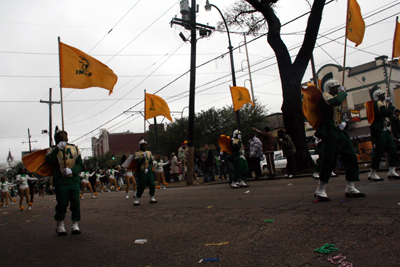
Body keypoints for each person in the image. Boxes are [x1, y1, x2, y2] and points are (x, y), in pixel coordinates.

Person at [308, 79, 365, 201]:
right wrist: (343, 93)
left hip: (339, 131)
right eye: (335, 88)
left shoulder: (335, 96)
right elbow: (335, 101)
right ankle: (320, 190)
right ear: (329, 88)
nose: (337, 89)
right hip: (330, 132)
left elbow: (337, 113)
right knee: (329, 160)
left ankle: (350, 187)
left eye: (338, 87)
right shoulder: (325, 96)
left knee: (351, 156)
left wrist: (342, 123)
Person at [45, 128, 84, 235]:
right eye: (60, 135)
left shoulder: (74, 148)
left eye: (64, 135)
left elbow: (80, 164)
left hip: (73, 179)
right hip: (61, 180)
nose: (63, 137)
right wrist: (57, 149)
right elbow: (48, 160)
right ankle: (60, 225)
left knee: (75, 202)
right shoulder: (51, 149)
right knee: (62, 203)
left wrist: (72, 170)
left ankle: (75, 224)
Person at [367, 89, 399, 181]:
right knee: (378, 152)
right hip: (379, 131)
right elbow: (388, 113)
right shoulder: (378, 103)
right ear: (378, 97)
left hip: (385, 131)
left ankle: (392, 171)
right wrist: (390, 105)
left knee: (392, 150)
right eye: (382, 95)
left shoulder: (380, 103)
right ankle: (372, 172)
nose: (384, 96)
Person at [133, 138, 157, 206]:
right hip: (141, 171)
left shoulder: (149, 153)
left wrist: (149, 168)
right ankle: (137, 198)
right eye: (142, 145)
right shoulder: (137, 153)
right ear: (140, 146)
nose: (144, 146)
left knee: (152, 184)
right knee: (142, 186)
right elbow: (137, 162)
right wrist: (142, 159)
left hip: (148, 171)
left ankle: (152, 197)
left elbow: (150, 162)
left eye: (145, 145)